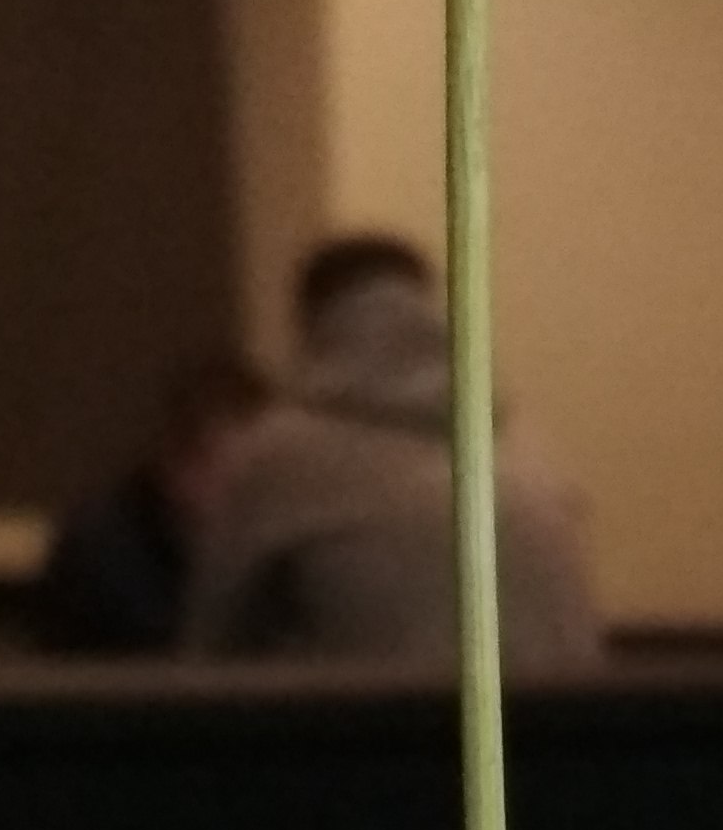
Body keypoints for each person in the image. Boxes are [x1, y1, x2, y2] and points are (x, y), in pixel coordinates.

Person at [187, 236, 601, 668]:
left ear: (312, 326)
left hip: (405, 708)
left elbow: (213, 648)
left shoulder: (283, 451)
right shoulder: (518, 441)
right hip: (576, 706)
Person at [31, 351, 277, 653]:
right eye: (239, 478)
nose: (258, 495)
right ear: (181, 465)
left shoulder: (276, 549)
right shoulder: (103, 555)